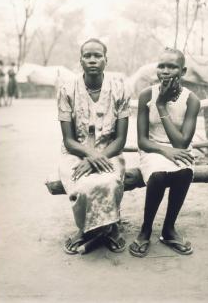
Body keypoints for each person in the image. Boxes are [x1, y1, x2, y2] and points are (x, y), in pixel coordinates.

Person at [57, 38, 130, 255]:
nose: (92, 60)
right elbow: (68, 140)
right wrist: (90, 156)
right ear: (80, 60)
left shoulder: (120, 89)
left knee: (110, 180)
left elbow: (120, 141)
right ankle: (85, 229)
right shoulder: (67, 89)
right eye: (87, 56)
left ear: (106, 60)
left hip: (110, 151)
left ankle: (112, 226)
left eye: (97, 55)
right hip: (75, 152)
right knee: (81, 185)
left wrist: (98, 157)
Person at [129, 47, 200, 257]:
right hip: (152, 150)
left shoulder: (191, 100)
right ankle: (146, 229)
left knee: (184, 172)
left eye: (172, 67)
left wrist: (161, 107)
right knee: (159, 175)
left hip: (180, 150)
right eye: (161, 66)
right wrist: (158, 102)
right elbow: (142, 141)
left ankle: (169, 229)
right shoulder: (146, 95)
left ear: (183, 71)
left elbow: (181, 143)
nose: (165, 71)